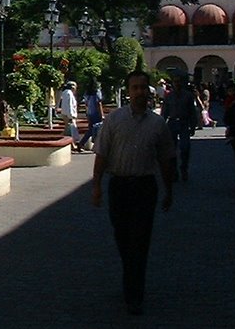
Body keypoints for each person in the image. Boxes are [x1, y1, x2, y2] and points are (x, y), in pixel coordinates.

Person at [91, 70, 175, 316]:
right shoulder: (114, 120)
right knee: (122, 238)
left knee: (140, 240)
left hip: (145, 187)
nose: (138, 92)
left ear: (148, 92)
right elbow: (101, 155)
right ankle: (131, 273)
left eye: (142, 88)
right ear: (128, 92)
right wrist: (96, 186)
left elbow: (166, 160)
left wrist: (169, 190)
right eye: (134, 88)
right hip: (119, 186)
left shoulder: (158, 124)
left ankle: (134, 294)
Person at [161, 73, 197, 181]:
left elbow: (192, 112)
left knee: (185, 147)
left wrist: (193, 125)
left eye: (179, 81)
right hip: (172, 123)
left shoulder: (188, 96)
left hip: (184, 123)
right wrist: (162, 125)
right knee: (171, 149)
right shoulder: (169, 96)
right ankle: (174, 170)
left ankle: (184, 168)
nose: (177, 84)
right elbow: (164, 112)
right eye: (175, 81)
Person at [59, 81, 81, 148]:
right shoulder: (69, 93)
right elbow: (70, 105)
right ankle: (72, 145)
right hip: (69, 115)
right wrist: (71, 116)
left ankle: (71, 144)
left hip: (66, 114)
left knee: (68, 130)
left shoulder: (66, 93)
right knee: (71, 130)